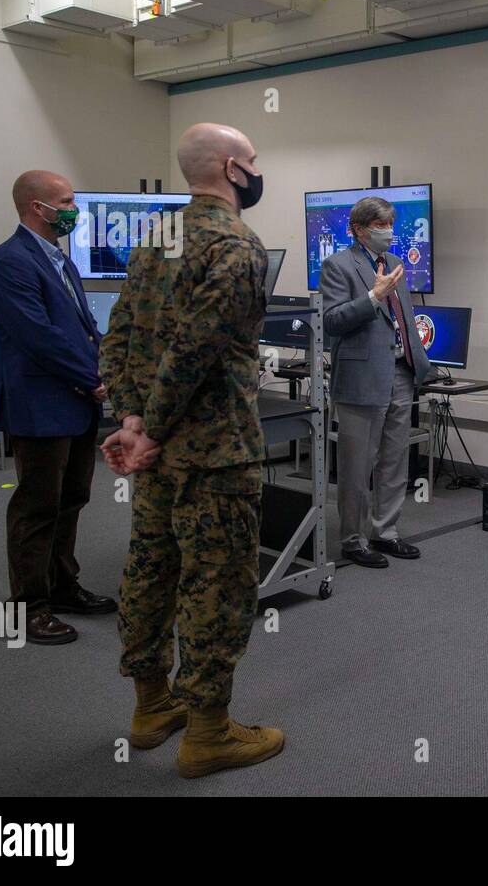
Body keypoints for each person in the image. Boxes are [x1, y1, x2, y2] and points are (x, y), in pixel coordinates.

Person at [98, 122, 283, 778]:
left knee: (152, 568)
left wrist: (130, 420)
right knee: (216, 583)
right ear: (233, 169)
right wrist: (148, 428)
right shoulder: (237, 243)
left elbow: (120, 333)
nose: (258, 172)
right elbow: (196, 349)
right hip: (214, 453)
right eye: (253, 162)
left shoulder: (157, 237)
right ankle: (208, 732)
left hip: (155, 455)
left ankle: (152, 707)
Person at [0, 170, 116, 647]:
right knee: (37, 506)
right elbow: (41, 339)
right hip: (40, 407)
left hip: (74, 405)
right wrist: (94, 379)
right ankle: (28, 607)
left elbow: (81, 330)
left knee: (71, 500)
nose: (74, 209)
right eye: (68, 201)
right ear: (37, 208)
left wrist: (107, 364)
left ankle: (62, 587)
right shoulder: (10, 263)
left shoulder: (60, 261)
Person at [322, 197, 433, 569]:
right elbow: (333, 320)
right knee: (356, 465)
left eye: (390, 225)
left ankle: (385, 532)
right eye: (381, 226)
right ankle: (352, 540)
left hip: (400, 374)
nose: (389, 232)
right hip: (360, 379)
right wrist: (374, 295)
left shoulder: (397, 264)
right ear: (359, 230)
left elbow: (403, 318)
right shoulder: (337, 265)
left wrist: (420, 365)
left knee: (393, 461)